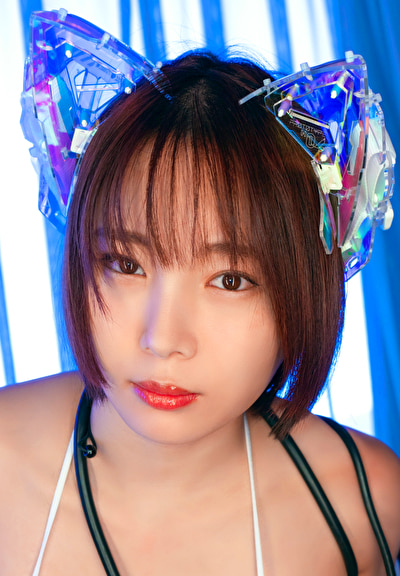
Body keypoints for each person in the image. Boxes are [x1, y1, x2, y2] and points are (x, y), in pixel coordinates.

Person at [1, 9, 399, 576]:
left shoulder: (364, 500)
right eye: (125, 263)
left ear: (304, 287)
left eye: (230, 280)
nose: (163, 339)